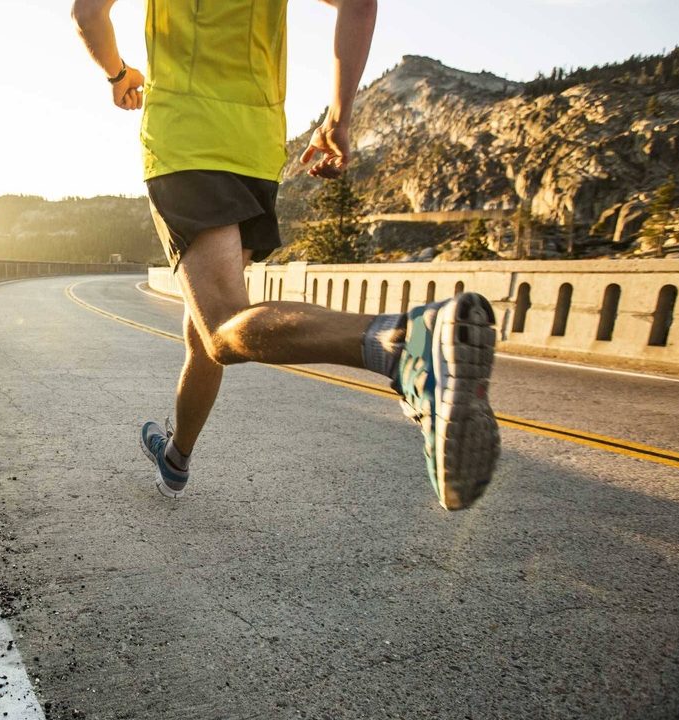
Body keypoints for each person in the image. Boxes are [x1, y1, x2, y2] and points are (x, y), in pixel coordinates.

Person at [71, 0, 500, 510]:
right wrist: (339, 119)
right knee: (204, 329)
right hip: (256, 149)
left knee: (222, 326)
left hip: (184, 142)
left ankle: (402, 344)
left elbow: (89, 12)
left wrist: (118, 74)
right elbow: (358, 4)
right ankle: (176, 456)